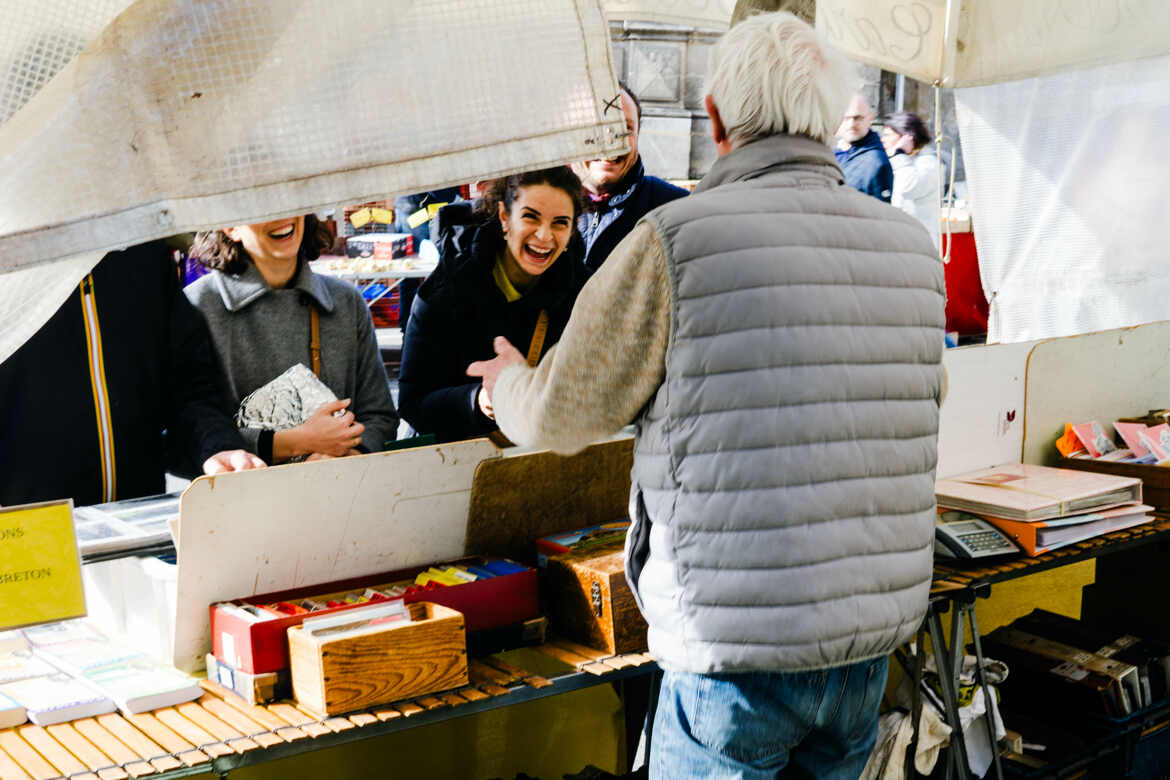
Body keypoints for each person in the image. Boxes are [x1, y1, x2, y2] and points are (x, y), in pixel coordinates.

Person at [469, 11, 945, 777]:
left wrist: (504, 387)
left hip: (733, 652)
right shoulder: (912, 250)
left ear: (718, 117)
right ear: (828, 117)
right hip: (867, 646)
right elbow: (917, 406)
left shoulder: (677, 241)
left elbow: (561, 413)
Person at [0, 241, 264, 508]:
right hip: (26, 529)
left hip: (138, 521)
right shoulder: (10, 264)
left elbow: (191, 387)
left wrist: (218, 447)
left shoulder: (144, 253)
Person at [186, 215, 399, 464]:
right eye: (263, 203)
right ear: (231, 226)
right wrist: (295, 442)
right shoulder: (196, 307)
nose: (283, 215)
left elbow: (380, 416)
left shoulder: (347, 302)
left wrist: (349, 454)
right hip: (238, 496)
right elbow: (182, 437)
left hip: (338, 491)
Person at [398, 167, 586, 444]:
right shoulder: (445, 290)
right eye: (530, 217)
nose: (544, 236)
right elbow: (413, 402)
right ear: (504, 217)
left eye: (560, 223)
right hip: (460, 463)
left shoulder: (587, 294)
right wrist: (480, 401)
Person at [571, 82, 688, 275]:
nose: (610, 142)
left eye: (625, 128)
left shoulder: (675, 209)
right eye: (596, 126)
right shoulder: (541, 204)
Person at [883, 111, 942, 247]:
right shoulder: (901, 161)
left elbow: (908, 187)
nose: (883, 140)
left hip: (919, 244)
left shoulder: (928, 163)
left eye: (887, 135)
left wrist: (899, 153)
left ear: (906, 137)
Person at [835, 94, 894, 203]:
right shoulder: (834, 154)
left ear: (870, 119)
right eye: (846, 118)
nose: (852, 124)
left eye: (858, 118)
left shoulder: (876, 162)